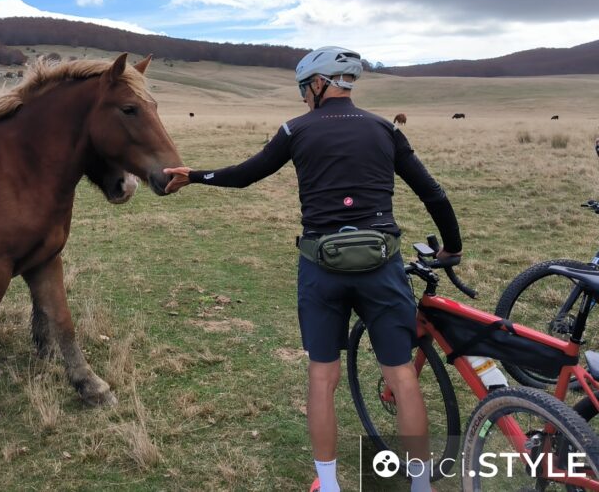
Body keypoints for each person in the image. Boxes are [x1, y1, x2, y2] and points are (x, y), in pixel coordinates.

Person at [164, 46, 462, 492]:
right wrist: (451, 249)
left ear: (319, 84)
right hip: (382, 266)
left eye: (305, 88)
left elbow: (246, 175)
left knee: (323, 377)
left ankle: (329, 483)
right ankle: (421, 486)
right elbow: (433, 194)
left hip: (321, 266)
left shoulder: (295, 129)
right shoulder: (384, 129)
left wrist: (196, 175)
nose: (304, 97)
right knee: (401, 375)